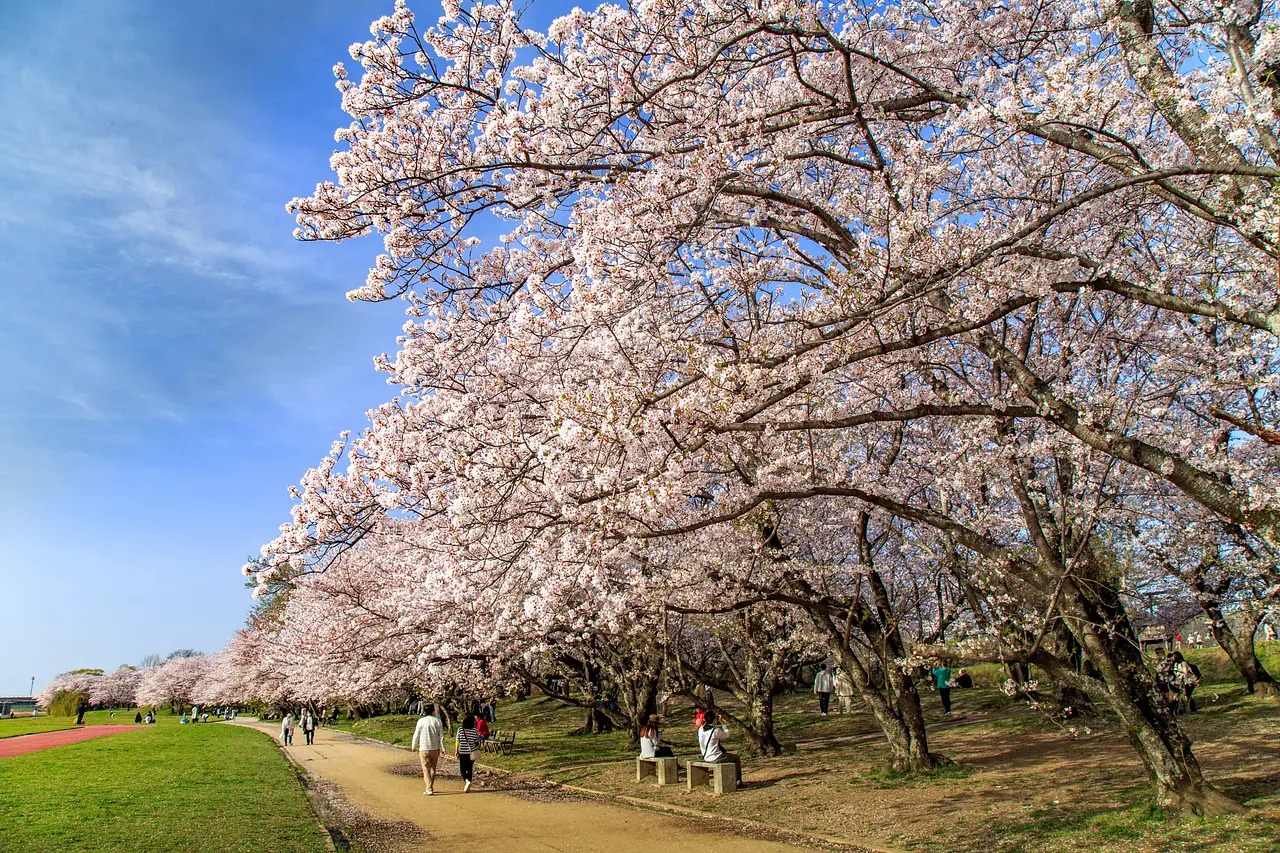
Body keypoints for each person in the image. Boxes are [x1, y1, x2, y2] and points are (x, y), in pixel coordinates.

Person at [697, 710, 742, 786]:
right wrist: (722, 723)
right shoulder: (715, 730)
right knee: (736, 758)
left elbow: (706, 726)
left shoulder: (701, 729)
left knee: (727, 756)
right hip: (715, 757)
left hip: (706, 757)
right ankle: (738, 781)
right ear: (714, 720)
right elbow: (727, 735)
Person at [410, 704, 445, 795]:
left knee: (425, 769)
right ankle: (430, 787)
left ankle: (429, 788)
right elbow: (441, 736)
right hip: (435, 748)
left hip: (424, 748)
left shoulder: (421, 721)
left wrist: (413, 746)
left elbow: (416, 734)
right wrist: (443, 748)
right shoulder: (438, 721)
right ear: (433, 712)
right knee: (433, 768)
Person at [455, 713, 482, 793]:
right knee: (469, 768)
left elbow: (457, 740)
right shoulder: (475, 730)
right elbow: (477, 742)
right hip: (472, 752)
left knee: (462, 768)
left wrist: (456, 750)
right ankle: (469, 781)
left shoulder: (460, 729)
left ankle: (467, 780)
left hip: (463, 752)